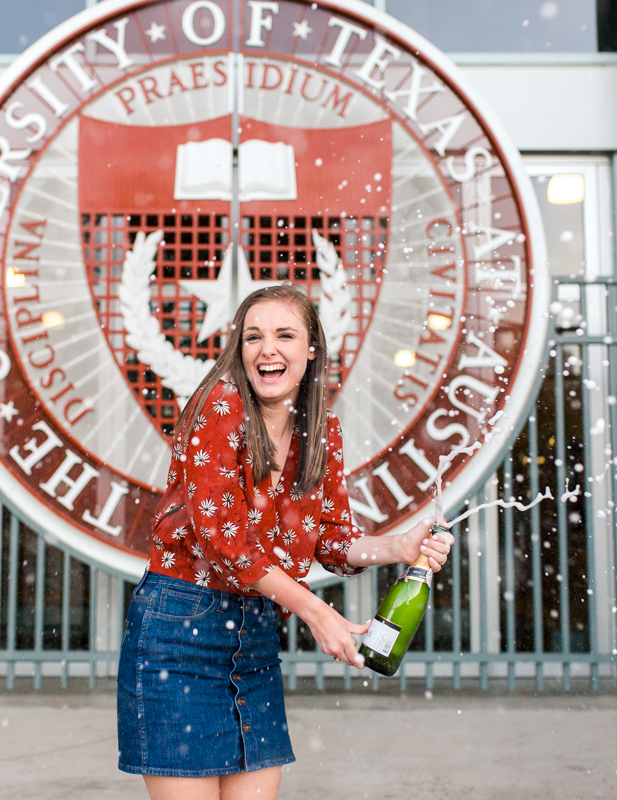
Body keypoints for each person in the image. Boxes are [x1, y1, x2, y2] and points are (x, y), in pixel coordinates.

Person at [117, 284, 453, 800]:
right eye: (253, 336)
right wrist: (319, 614)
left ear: (311, 349)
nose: (266, 348)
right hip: (179, 632)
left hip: (253, 637)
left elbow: (333, 540)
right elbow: (223, 545)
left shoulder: (322, 431)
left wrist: (398, 548)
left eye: (284, 335)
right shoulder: (220, 405)